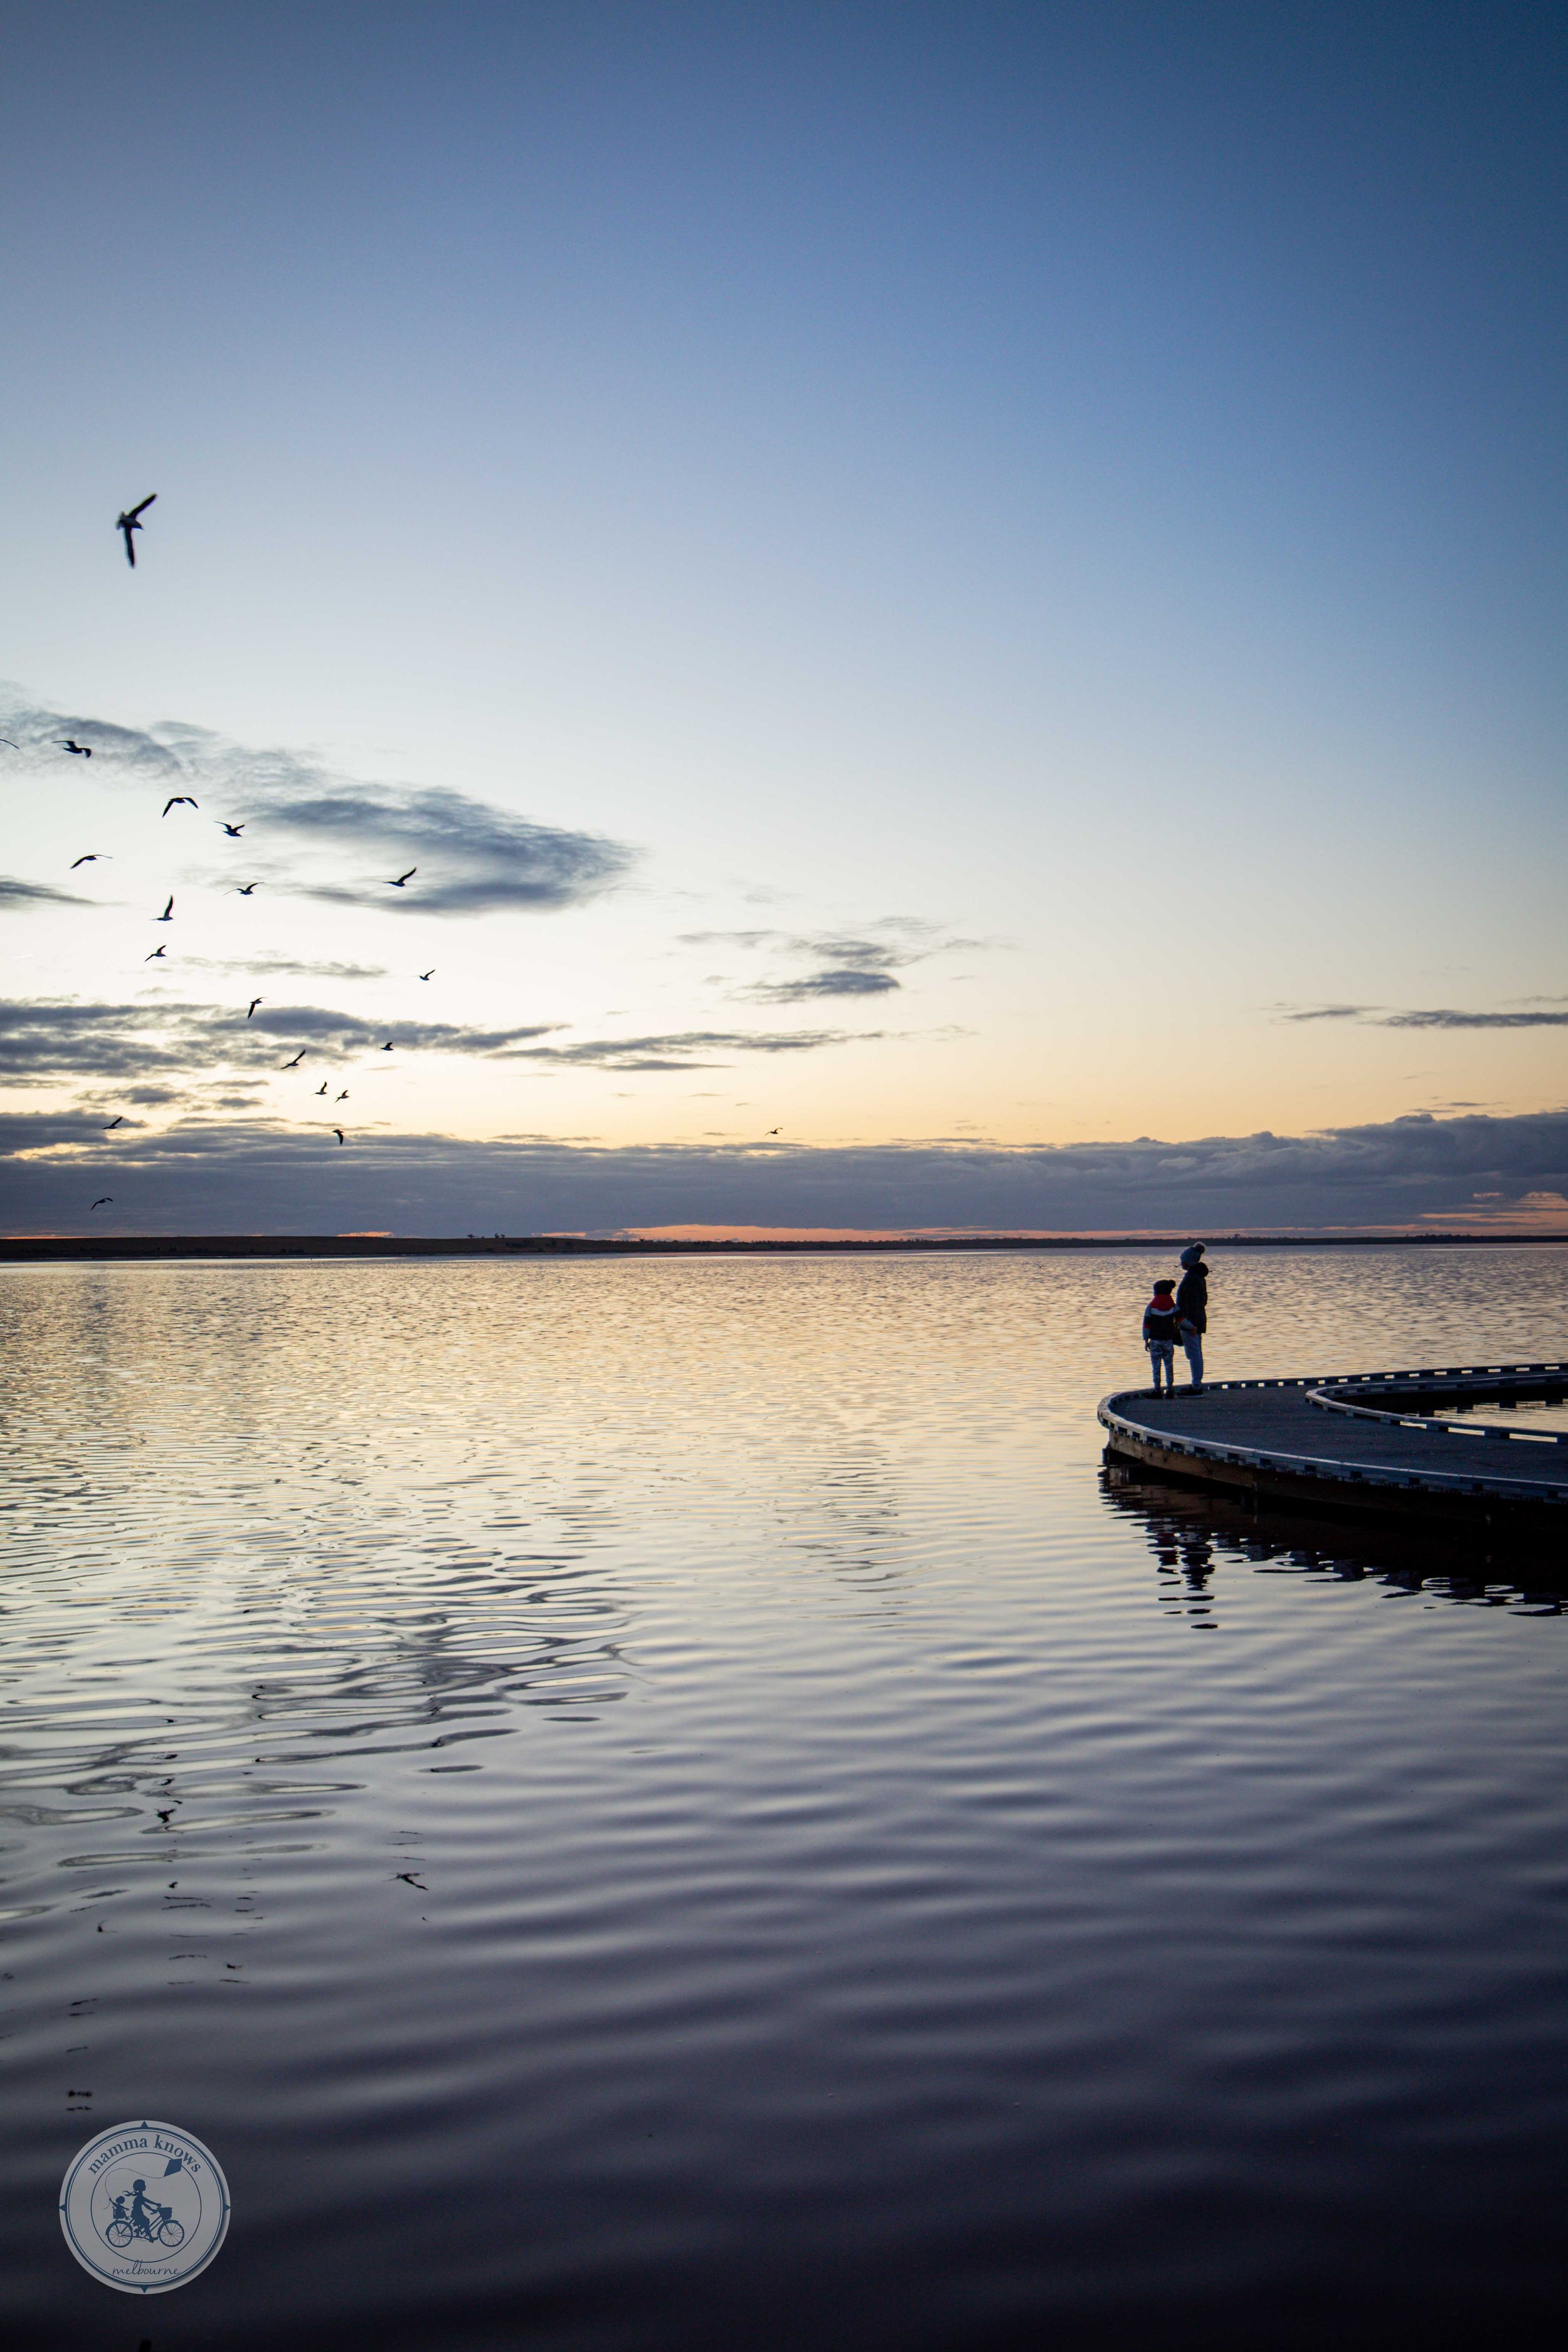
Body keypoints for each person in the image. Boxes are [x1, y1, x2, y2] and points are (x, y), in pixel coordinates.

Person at [1175, 1243, 1208, 1392]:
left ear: (1188, 1261)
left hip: (1191, 1323)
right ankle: (1196, 1383)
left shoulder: (1192, 1279)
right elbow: (1203, 1300)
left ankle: (1196, 1386)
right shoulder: (1197, 1277)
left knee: (1193, 1354)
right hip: (1195, 1321)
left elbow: (1192, 1303)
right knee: (1195, 1353)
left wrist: (1190, 1324)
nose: (1181, 1262)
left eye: (1182, 1260)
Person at [1142, 1279, 1180, 1395]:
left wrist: (1146, 1339)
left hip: (1155, 1341)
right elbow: (1182, 1320)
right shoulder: (1173, 1306)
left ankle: (1157, 1390)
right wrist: (1191, 1328)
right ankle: (1170, 1390)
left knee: (1156, 1367)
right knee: (1169, 1366)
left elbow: (1146, 1325)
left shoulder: (1151, 1307)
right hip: (1168, 1341)